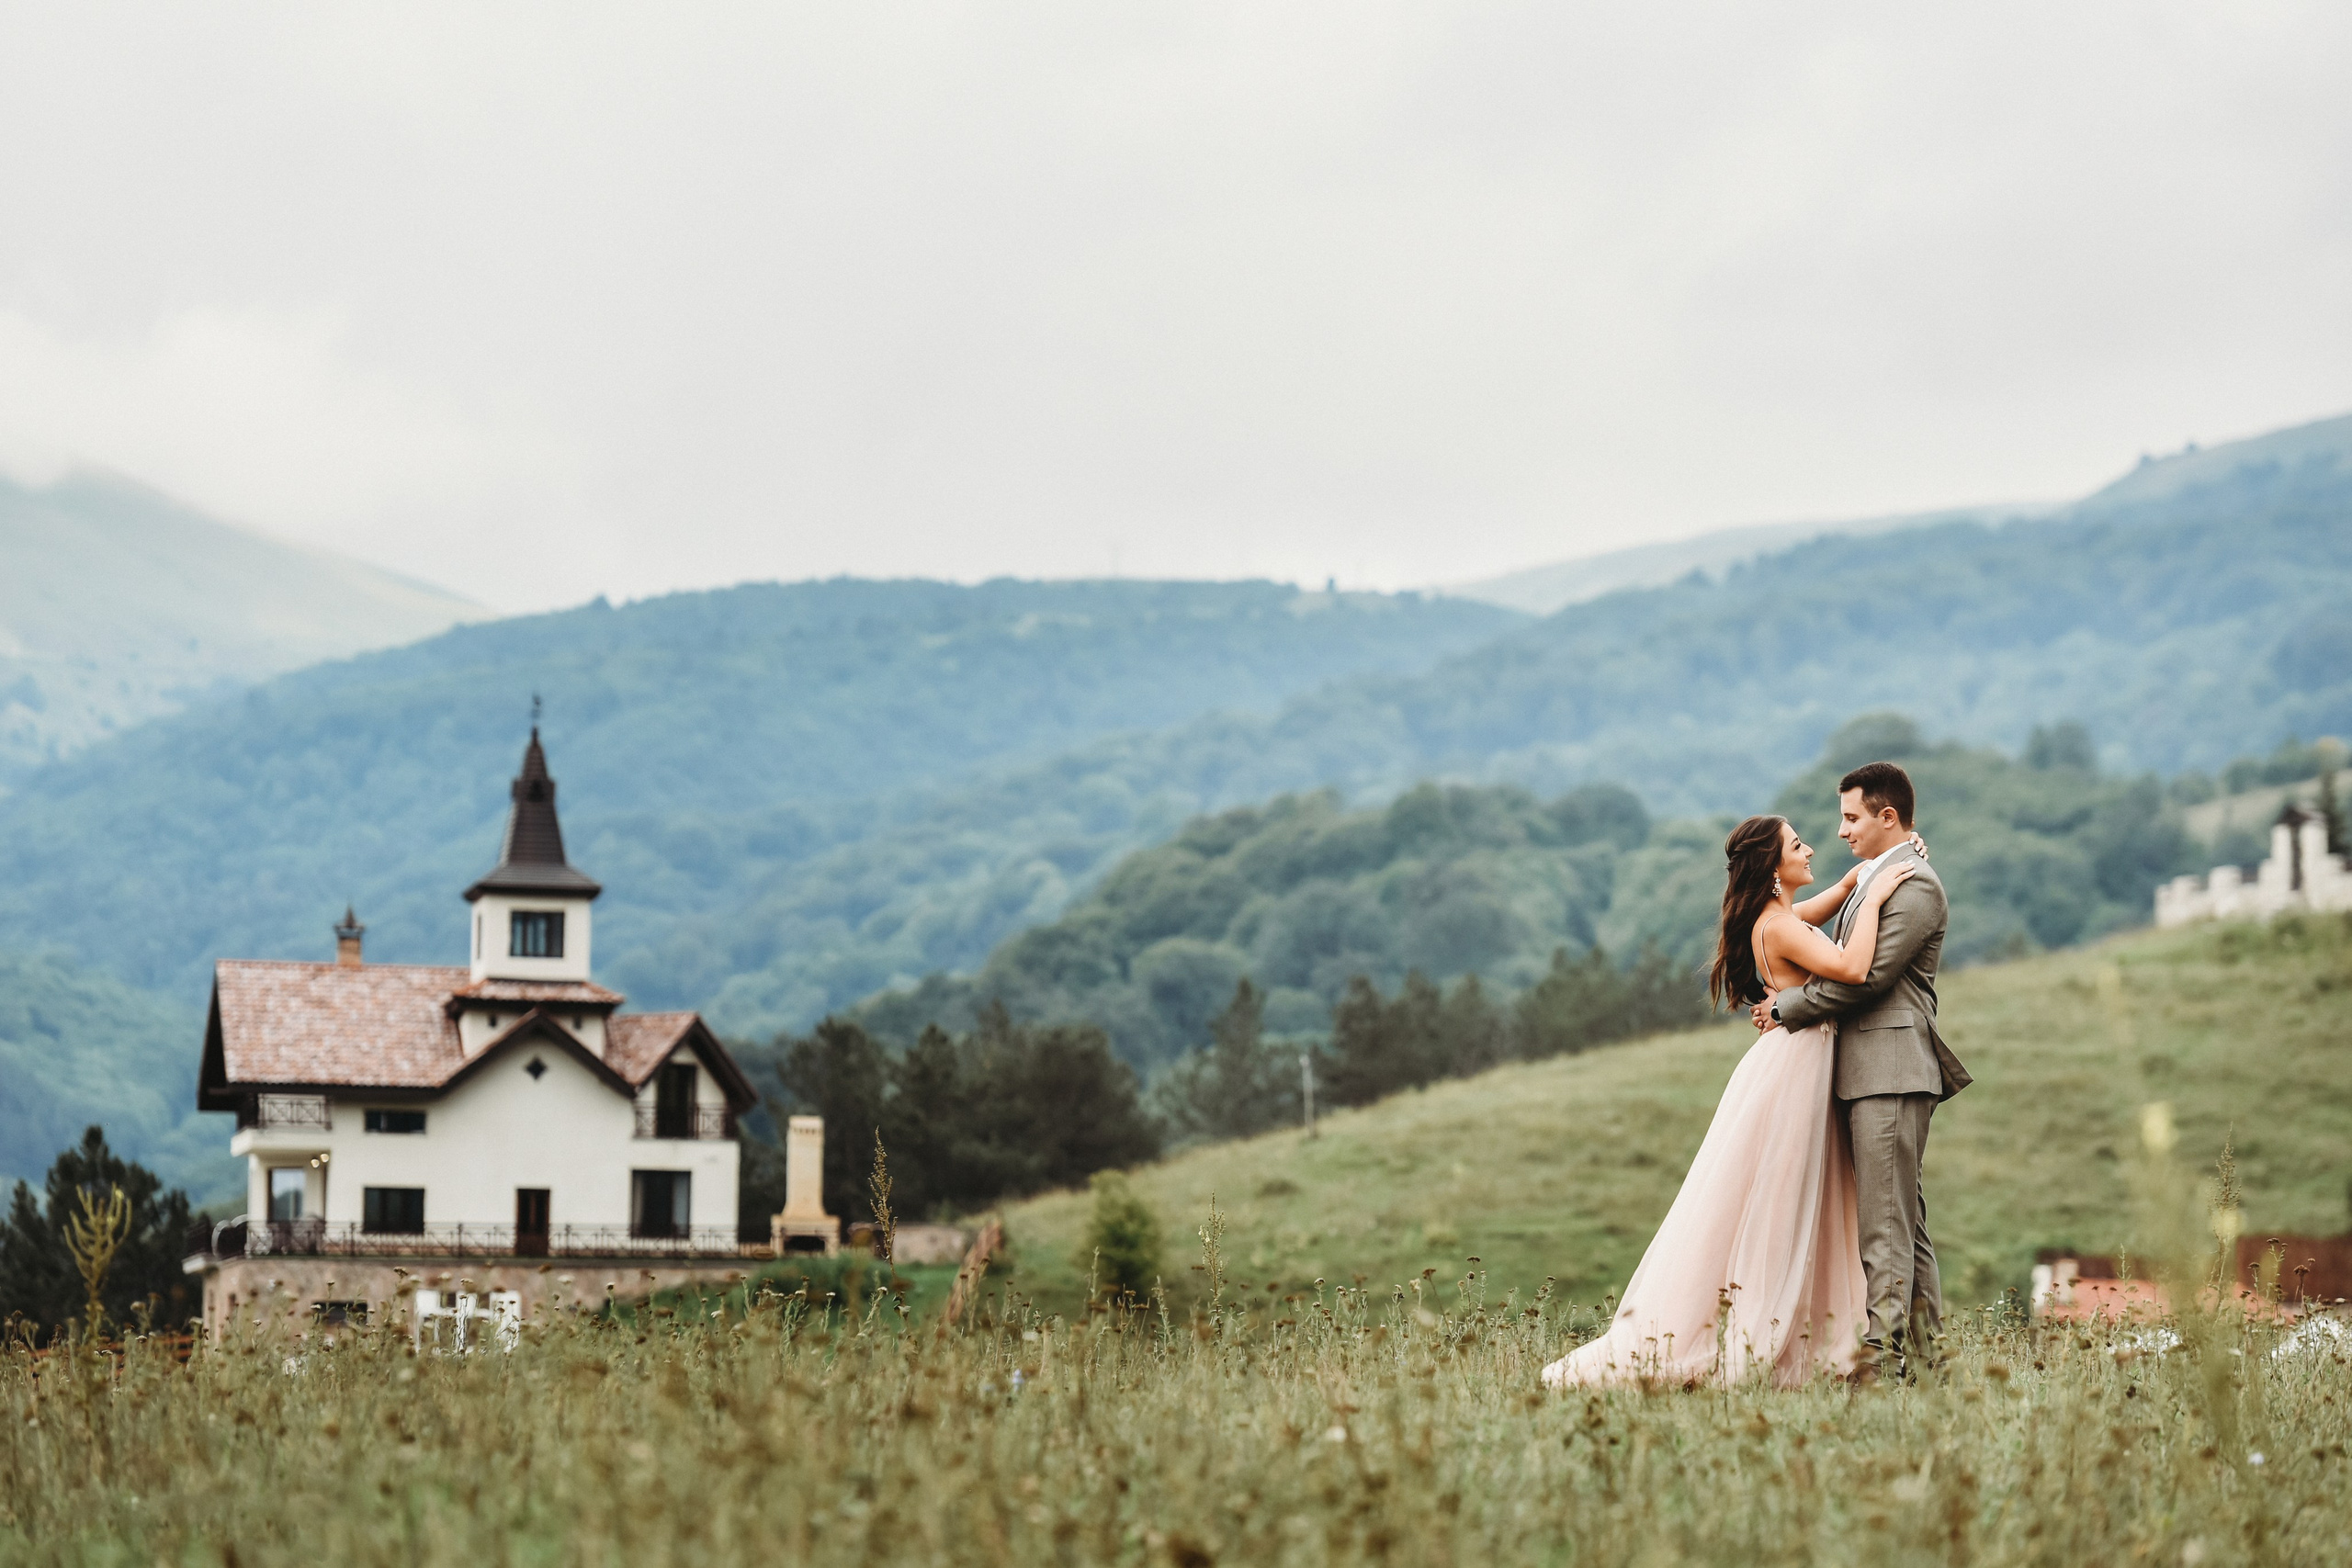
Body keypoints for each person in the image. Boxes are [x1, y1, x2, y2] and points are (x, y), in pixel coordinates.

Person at [1751, 760, 1969, 1382]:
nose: (1842, 829)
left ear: (1888, 817)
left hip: (1890, 1070)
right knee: (1903, 1219)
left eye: (1852, 817)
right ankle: (1927, 1359)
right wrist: (1861, 882)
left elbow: (1867, 979)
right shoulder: (1882, 877)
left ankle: (1882, 1360)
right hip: (1868, 1071)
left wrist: (1784, 1007)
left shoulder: (1916, 886)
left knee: (1885, 1223)